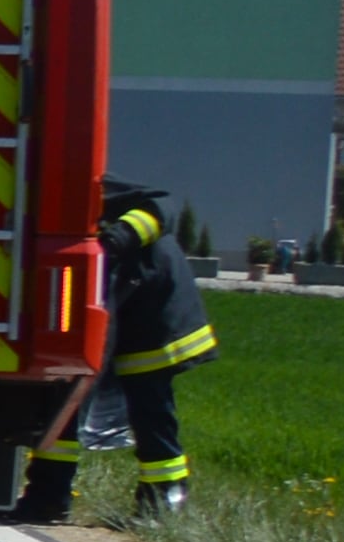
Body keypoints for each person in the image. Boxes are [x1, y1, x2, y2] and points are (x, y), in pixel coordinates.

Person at [22, 180, 212, 521]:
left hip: (153, 312)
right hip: (108, 305)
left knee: (150, 408)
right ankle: (48, 497)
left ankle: (162, 503)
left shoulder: (94, 187)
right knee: (66, 399)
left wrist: (118, 238)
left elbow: (163, 206)